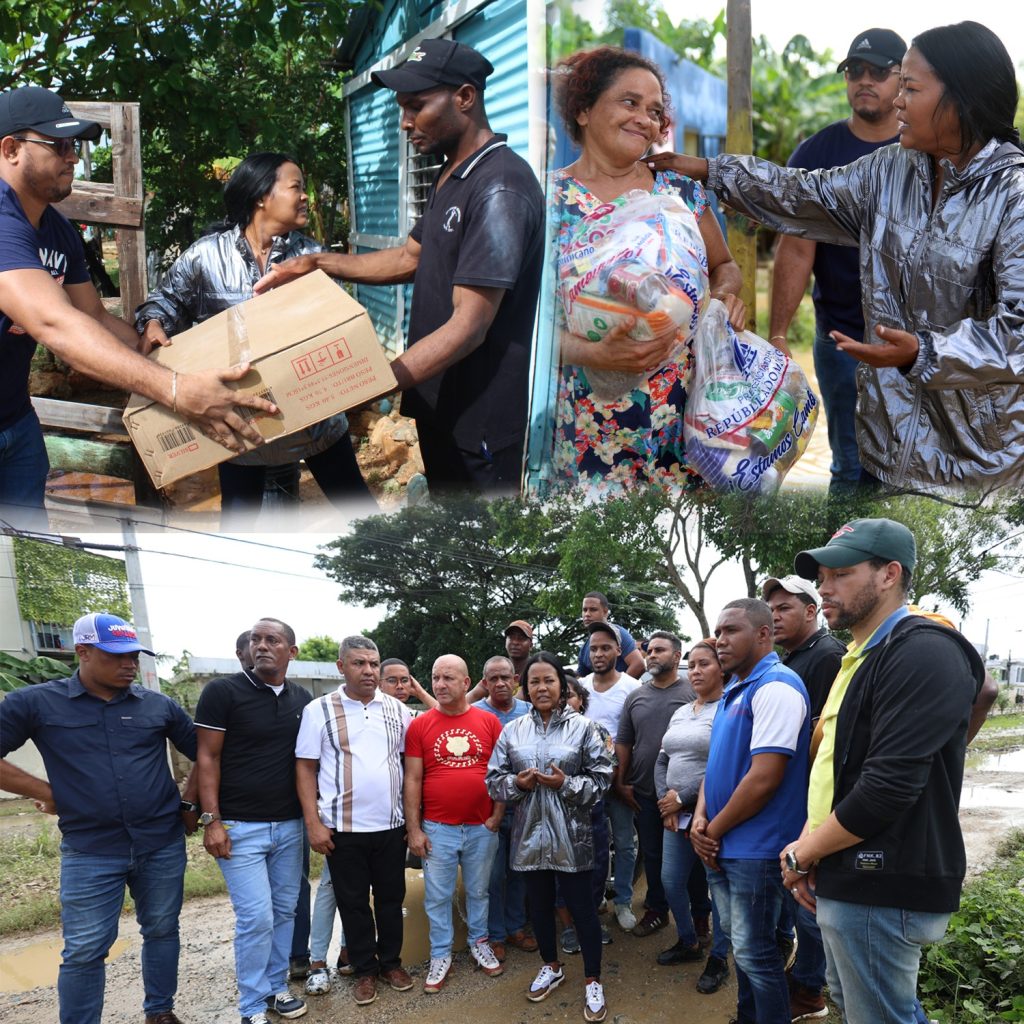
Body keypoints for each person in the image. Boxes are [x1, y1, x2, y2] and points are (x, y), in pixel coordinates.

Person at [649, 22, 1024, 496]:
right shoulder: (891, 169)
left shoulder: (1014, 195)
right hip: (886, 446)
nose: (898, 101)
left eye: (909, 86)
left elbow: (1020, 332)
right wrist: (711, 170)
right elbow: (803, 194)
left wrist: (925, 353)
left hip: (976, 463)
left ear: (963, 97)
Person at [254, 39, 545, 493]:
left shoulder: (499, 188)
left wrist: (372, 383)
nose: (405, 123)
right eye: (401, 108)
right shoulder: (454, 174)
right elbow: (410, 257)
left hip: (477, 425)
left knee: (481, 554)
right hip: (441, 407)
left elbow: (469, 325)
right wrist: (315, 263)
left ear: (465, 97)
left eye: (416, 106)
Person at [0, 86, 275, 528]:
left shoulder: (56, 231)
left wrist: (159, 349)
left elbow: (92, 316)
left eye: (77, 145)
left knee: (21, 554)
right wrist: (175, 389)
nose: (73, 157)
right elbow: (56, 324)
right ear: (11, 149)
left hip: (14, 418)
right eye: (60, 145)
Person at [781, 519, 985, 1024]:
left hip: (884, 878)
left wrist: (804, 854)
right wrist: (814, 842)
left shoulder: (921, 649)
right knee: (857, 1006)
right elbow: (836, 765)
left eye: (841, 574)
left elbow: (886, 787)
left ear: (889, 573)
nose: (824, 588)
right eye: (822, 576)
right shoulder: (860, 654)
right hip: (848, 868)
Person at [134, 152, 372, 521]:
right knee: (239, 530)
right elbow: (164, 300)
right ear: (262, 196)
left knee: (363, 517)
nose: (306, 195)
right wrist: (153, 323)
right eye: (296, 187)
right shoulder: (206, 256)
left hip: (316, 423)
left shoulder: (311, 256)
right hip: (240, 426)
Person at [550, 46, 745, 495]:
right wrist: (591, 354)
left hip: (688, 418)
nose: (645, 118)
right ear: (583, 110)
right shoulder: (549, 202)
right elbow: (525, 321)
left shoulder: (680, 191)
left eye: (655, 110)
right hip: (592, 423)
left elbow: (725, 266)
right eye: (629, 102)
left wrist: (725, 298)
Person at [0, 613, 197, 1024]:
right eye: (117, 656)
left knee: (162, 930)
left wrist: (191, 803)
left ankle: (160, 1012)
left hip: (161, 841)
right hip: (91, 850)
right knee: (86, 948)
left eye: (133, 656)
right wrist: (49, 793)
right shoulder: (36, 703)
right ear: (83, 652)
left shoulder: (157, 705)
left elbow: (208, 754)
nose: (129, 664)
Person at [768, 29, 906, 491]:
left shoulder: (926, 151)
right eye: (855, 71)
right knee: (851, 466)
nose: (864, 81)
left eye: (879, 71)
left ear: (903, 78)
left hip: (911, 345)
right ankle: (840, 558)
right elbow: (795, 248)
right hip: (843, 339)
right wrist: (780, 333)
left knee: (913, 470)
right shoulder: (816, 155)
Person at [692, 599, 810, 1024]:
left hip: (757, 850)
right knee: (744, 951)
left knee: (758, 955)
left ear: (764, 635)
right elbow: (717, 765)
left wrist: (713, 830)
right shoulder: (733, 691)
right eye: (718, 631)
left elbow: (764, 779)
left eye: (731, 631)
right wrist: (702, 818)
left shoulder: (776, 686)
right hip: (722, 845)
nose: (720, 640)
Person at [486, 652, 614, 1022]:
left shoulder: (585, 728)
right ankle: (552, 966)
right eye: (534, 682)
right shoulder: (513, 731)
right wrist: (516, 783)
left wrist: (566, 784)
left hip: (573, 837)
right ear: (524, 688)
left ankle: (593, 979)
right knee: (539, 908)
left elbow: (602, 779)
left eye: (549, 680)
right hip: (528, 836)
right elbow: (494, 781)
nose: (541, 687)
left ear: (562, 686)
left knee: (582, 910)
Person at [195, 618, 311, 1024]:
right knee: (256, 916)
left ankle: (276, 989)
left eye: (272, 640)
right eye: (256, 639)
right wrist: (212, 820)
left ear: (291, 652)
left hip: (290, 825)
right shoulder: (223, 692)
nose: (261, 645)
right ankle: (249, 1005)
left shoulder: (302, 699)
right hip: (240, 827)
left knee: (284, 912)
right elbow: (206, 758)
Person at [295, 636, 413, 1007]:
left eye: (373, 664)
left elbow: (410, 768)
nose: (368, 671)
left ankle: (391, 964)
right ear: (341, 666)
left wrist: (412, 823)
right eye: (359, 663)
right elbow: (305, 767)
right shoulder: (319, 710)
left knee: (392, 900)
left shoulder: (397, 710)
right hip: (343, 830)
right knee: (353, 903)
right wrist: (313, 822)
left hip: (391, 826)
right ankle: (364, 970)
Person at [404, 654, 505, 992]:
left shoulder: (489, 723)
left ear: (466, 683)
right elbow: (413, 780)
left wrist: (497, 816)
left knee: (479, 891)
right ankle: (440, 954)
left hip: (482, 827)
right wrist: (414, 829)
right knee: (437, 896)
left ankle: (480, 942)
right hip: (437, 829)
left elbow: (500, 774)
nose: (440, 684)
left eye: (448, 678)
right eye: (435, 677)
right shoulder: (420, 725)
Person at [653, 639, 731, 994]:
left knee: (719, 888)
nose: (695, 671)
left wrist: (682, 798)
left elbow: (726, 767)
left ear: (722, 669)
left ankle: (719, 957)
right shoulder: (683, 711)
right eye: (692, 665)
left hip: (714, 816)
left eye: (704, 664)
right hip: (675, 817)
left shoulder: (730, 709)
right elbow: (662, 759)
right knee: (671, 881)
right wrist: (664, 801)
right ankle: (688, 941)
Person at [614, 631, 697, 940]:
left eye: (660, 650)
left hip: (686, 796)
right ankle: (657, 910)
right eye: (649, 650)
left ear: (677, 656)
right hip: (646, 793)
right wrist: (622, 782)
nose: (651, 654)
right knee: (653, 855)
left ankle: (697, 917)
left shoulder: (692, 692)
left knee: (693, 862)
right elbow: (624, 741)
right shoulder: (636, 695)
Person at [578, 620, 641, 931]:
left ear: (619, 651)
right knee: (591, 843)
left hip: (621, 779)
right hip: (589, 782)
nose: (599, 654)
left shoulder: (632, 688)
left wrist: (625, 777)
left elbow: (637, 736)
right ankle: (596, 895)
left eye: (605, 648)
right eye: (594, 649)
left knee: (625, 842)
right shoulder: (581, 687)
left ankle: (624, 900)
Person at [476, 655, 536, 960]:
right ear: (484, 683)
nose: (500, 683)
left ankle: (516, 927)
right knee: (493, 875)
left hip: (526, 807)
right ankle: (495, 934)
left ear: (516, 681)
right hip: (488, 810)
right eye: (493, 678)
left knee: (519, 872)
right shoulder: (474, 713)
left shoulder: (530, 712)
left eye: (506, 678)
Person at [762, 576, 844, 724]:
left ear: (810, 612)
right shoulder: (788, 658)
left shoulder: (827, 656)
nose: (773, 617)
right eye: (770, 610)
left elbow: (825, 732)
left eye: (784, 608)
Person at [577, 592, 645, 678]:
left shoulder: (618, 633)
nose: (587, 614)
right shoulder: (584, 648)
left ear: (605, 612)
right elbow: (581, 679)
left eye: (593, 609)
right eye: (585, 610)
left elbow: (638, 665)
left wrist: (618, 689)